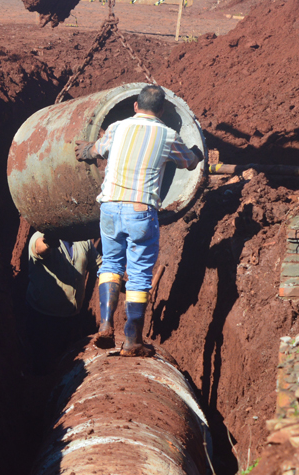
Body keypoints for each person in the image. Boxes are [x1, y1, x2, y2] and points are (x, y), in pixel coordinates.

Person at [75, 85, 203, 357]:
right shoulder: (169, 135)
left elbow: (95, 150)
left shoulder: (117, 127)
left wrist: (86, 150)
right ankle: (132, 340)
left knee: (110, 263)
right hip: (140, 211)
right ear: (163, 110)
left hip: (109, 206)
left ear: (135, 105)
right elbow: (189, 163)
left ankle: (106, 325)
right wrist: (196, 154)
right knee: (140, 274)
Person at [25, 230, 96, 375]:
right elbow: (39, 249)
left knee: (65, 362)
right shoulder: (40, 236)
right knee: (42, 364)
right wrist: (48, 242)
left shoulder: (83, 241)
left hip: (71, 318)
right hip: (43, 318)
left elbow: (101, 266)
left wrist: (128, 287)